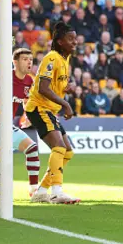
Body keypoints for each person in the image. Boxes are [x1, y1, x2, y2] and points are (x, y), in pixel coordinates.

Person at [26, 22, 79, 204]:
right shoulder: (51, 58)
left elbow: (56, 86)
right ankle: (57, 192)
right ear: (59, 41)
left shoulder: (65, 59)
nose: (75, 42)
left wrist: (67, 89)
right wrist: (66, 104)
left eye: (75, 38)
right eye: (70, 39)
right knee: (59, 147)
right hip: (39, 107)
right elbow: (43, 88)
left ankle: (41, 191)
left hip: (49, 110)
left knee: (67, 152)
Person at [0, 48, 40, 197]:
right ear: (15, 62)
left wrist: (27, 115)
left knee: (31, 149)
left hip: (6, 127)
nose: (29, 62)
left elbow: (26, 101)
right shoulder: (4, 77)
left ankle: (34, 191)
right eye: (25, 59)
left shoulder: (29, 80)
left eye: (31, 59)